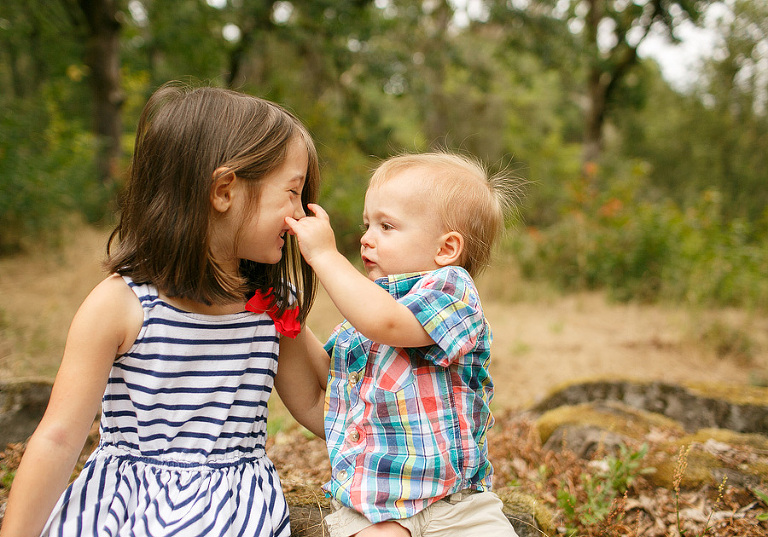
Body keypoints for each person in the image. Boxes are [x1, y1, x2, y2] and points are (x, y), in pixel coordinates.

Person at [0, 82, 330, 537]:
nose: (301, 213)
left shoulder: (272, 306)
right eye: (292, 192)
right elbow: (58, 438)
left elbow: (314, 404)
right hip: (126, 507)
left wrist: (399, 442)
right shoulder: (121, 305)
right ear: (224, 190)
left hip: (232, 512)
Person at [286, 151, 523, 537]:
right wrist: (289, 320)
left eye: (386, 226)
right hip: (375, 503)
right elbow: (328, 390)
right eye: (367, 224)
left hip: (456, 503)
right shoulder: (364, 316)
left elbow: (388, 323)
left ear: (446, 249)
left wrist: (325, 255)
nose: (366, 238)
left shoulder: (452, 290)